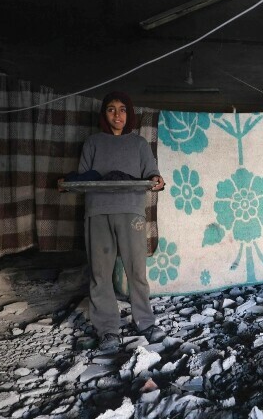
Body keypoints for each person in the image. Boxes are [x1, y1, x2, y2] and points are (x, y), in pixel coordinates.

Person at [63, 92, 167, 351]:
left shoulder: (139, 143)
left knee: (136, 272)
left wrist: (157, 180)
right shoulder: (93, 142)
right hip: (97, 212)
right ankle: (108, 329)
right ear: (104, 114)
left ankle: (145, 322)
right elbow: (83, 177)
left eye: (122, 109)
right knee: (100, 274)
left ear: (129, 114)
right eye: (111, 109)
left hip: (131, 211)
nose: (117, 115)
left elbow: (151, 173)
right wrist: (68, 181)